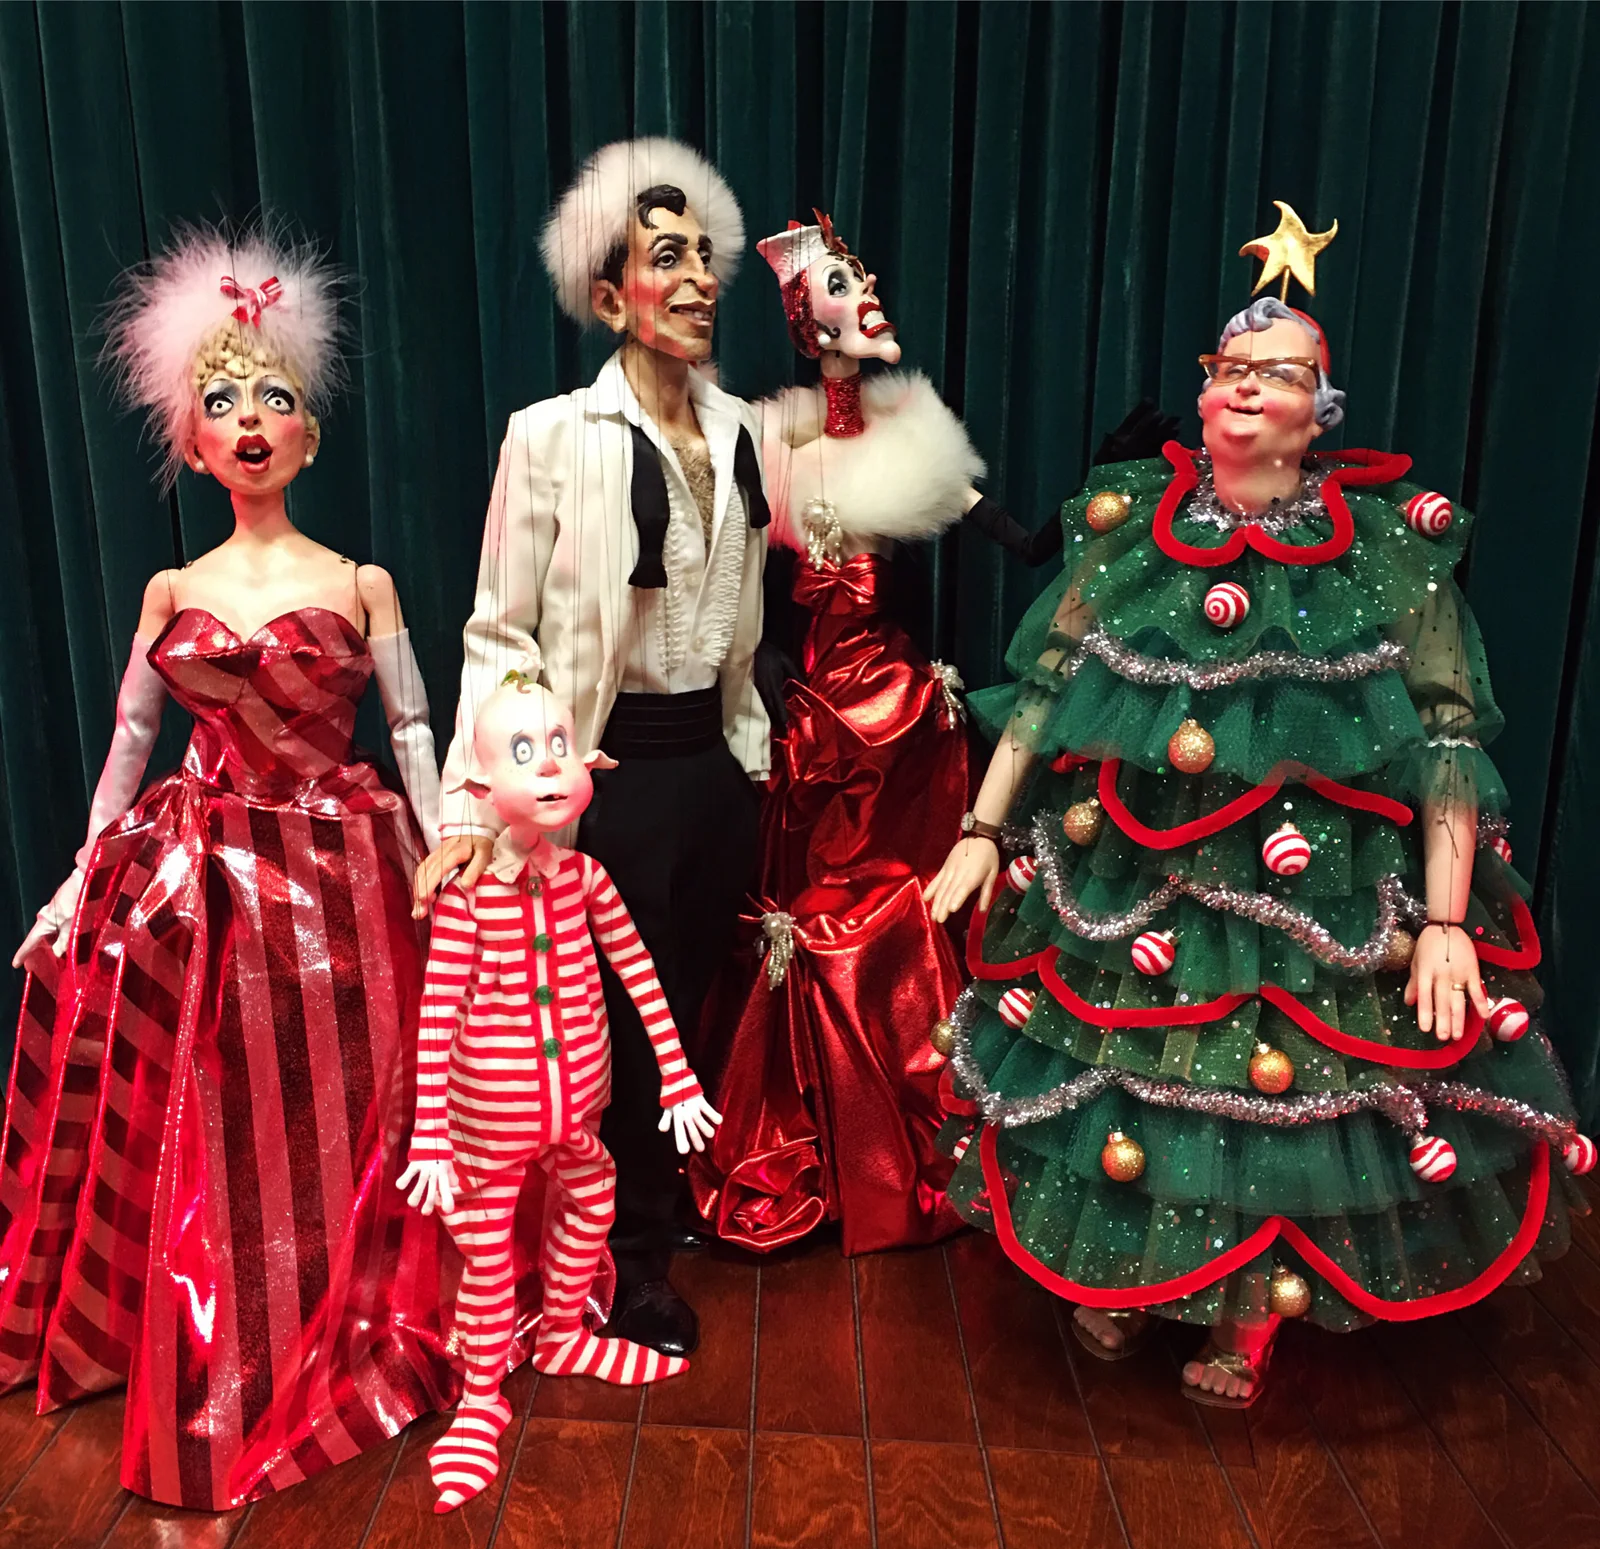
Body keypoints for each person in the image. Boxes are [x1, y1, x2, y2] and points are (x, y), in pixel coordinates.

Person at [924, 266, 1593, 1407]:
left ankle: (1246, 1309)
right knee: (1133, 1059)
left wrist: (1443, 923)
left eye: (1275, 373)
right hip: (1143, 862)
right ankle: (1133, 1270)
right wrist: (984, 827)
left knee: (1278, 1079)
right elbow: (1047, 684)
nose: (1241, 386)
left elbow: (1444, 733)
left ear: (1319, 412)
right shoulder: (1136, 525)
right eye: (1227, 367)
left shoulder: (1378, 546)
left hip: (1314, 887)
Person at [0, 227, 458, 1506]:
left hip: (340, 867)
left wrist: (444, 851)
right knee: (213, 1115)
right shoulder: (169, 588)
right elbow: (127, 746)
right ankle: (218, 1344)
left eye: (273, 396)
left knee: (345, 1108)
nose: (249, 419)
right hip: (203, 872)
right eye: (222, 401)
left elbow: (415, 730)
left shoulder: (360, 582)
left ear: (309, 431)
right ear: (192, 443)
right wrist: (75, 881)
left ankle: (350, 1320)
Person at [413, 139, 769, 1358]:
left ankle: (654, 1214)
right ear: (613, 297)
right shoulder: (553, 436)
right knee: (609, 1024)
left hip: (711, 772)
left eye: (705, 256)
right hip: (604, 778)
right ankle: (621, 1266)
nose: (699, 278)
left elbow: (739, 620)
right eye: (668, 257)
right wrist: (479, 805)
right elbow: (497, 628)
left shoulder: (741, 432)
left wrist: (749, 755)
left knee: (682, 1003)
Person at [688, 212, 979, 1254]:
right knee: (806, 911)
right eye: (840, 284)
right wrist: (765, 677)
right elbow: (731, 590)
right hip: (811, 718)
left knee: (907, 898)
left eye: (862, 276)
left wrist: (1100, 496)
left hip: (896, 715)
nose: (867, 295)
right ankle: (812, 1129)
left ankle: (917, 1132)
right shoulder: (776, 453)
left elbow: (1016, 538)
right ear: (808, 326)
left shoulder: (911, 442)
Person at [400, 674, 719, 1512]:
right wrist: (431, 1131)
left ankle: (564, 1334)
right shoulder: (467, 901)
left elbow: (637, 970)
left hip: (580, 1103)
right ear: (481, 784)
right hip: (490, 1116)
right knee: (486, 1245)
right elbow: (438, 1009)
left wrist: (677, 1074)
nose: (547, 767)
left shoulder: (586, 878)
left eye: (558, 746)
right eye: (522, 751)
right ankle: (479, 1397)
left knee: (592, 1196)